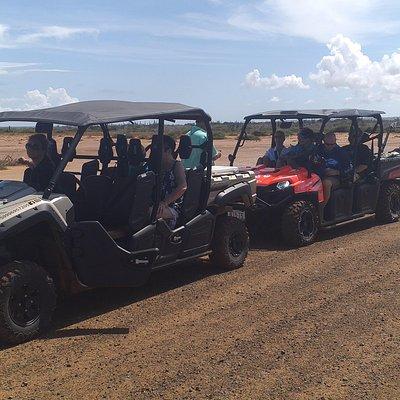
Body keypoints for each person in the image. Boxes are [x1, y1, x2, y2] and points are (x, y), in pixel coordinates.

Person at [158, 135, 187, 228]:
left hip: (172, 206)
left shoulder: (176, 165)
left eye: (159, 149)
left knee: (149, 213)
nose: (155, 152)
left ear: (168, 150)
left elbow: (183, 186)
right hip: (156, 203)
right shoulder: (156, 164)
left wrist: (165, 202)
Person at [315, 132, 351, 206]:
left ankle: (321, 209)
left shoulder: (341, 152)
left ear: (335, 142)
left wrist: (337, 172)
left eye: (332, 144)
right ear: (324, 142)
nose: (330, 146)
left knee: (326, 183)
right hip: (320, 174)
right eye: (327, 144)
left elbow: (349, 167)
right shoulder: (319, 149)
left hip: (337, 177)